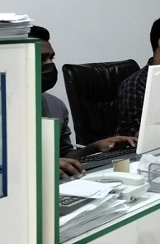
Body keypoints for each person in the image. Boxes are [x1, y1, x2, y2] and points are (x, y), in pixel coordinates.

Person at [30, 26, 136, 178]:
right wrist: (43, 165)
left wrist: (97, 146)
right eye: (42, 59)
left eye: (51, 58)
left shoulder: (57, 106)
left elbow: (65, 154)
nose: (50, 64)